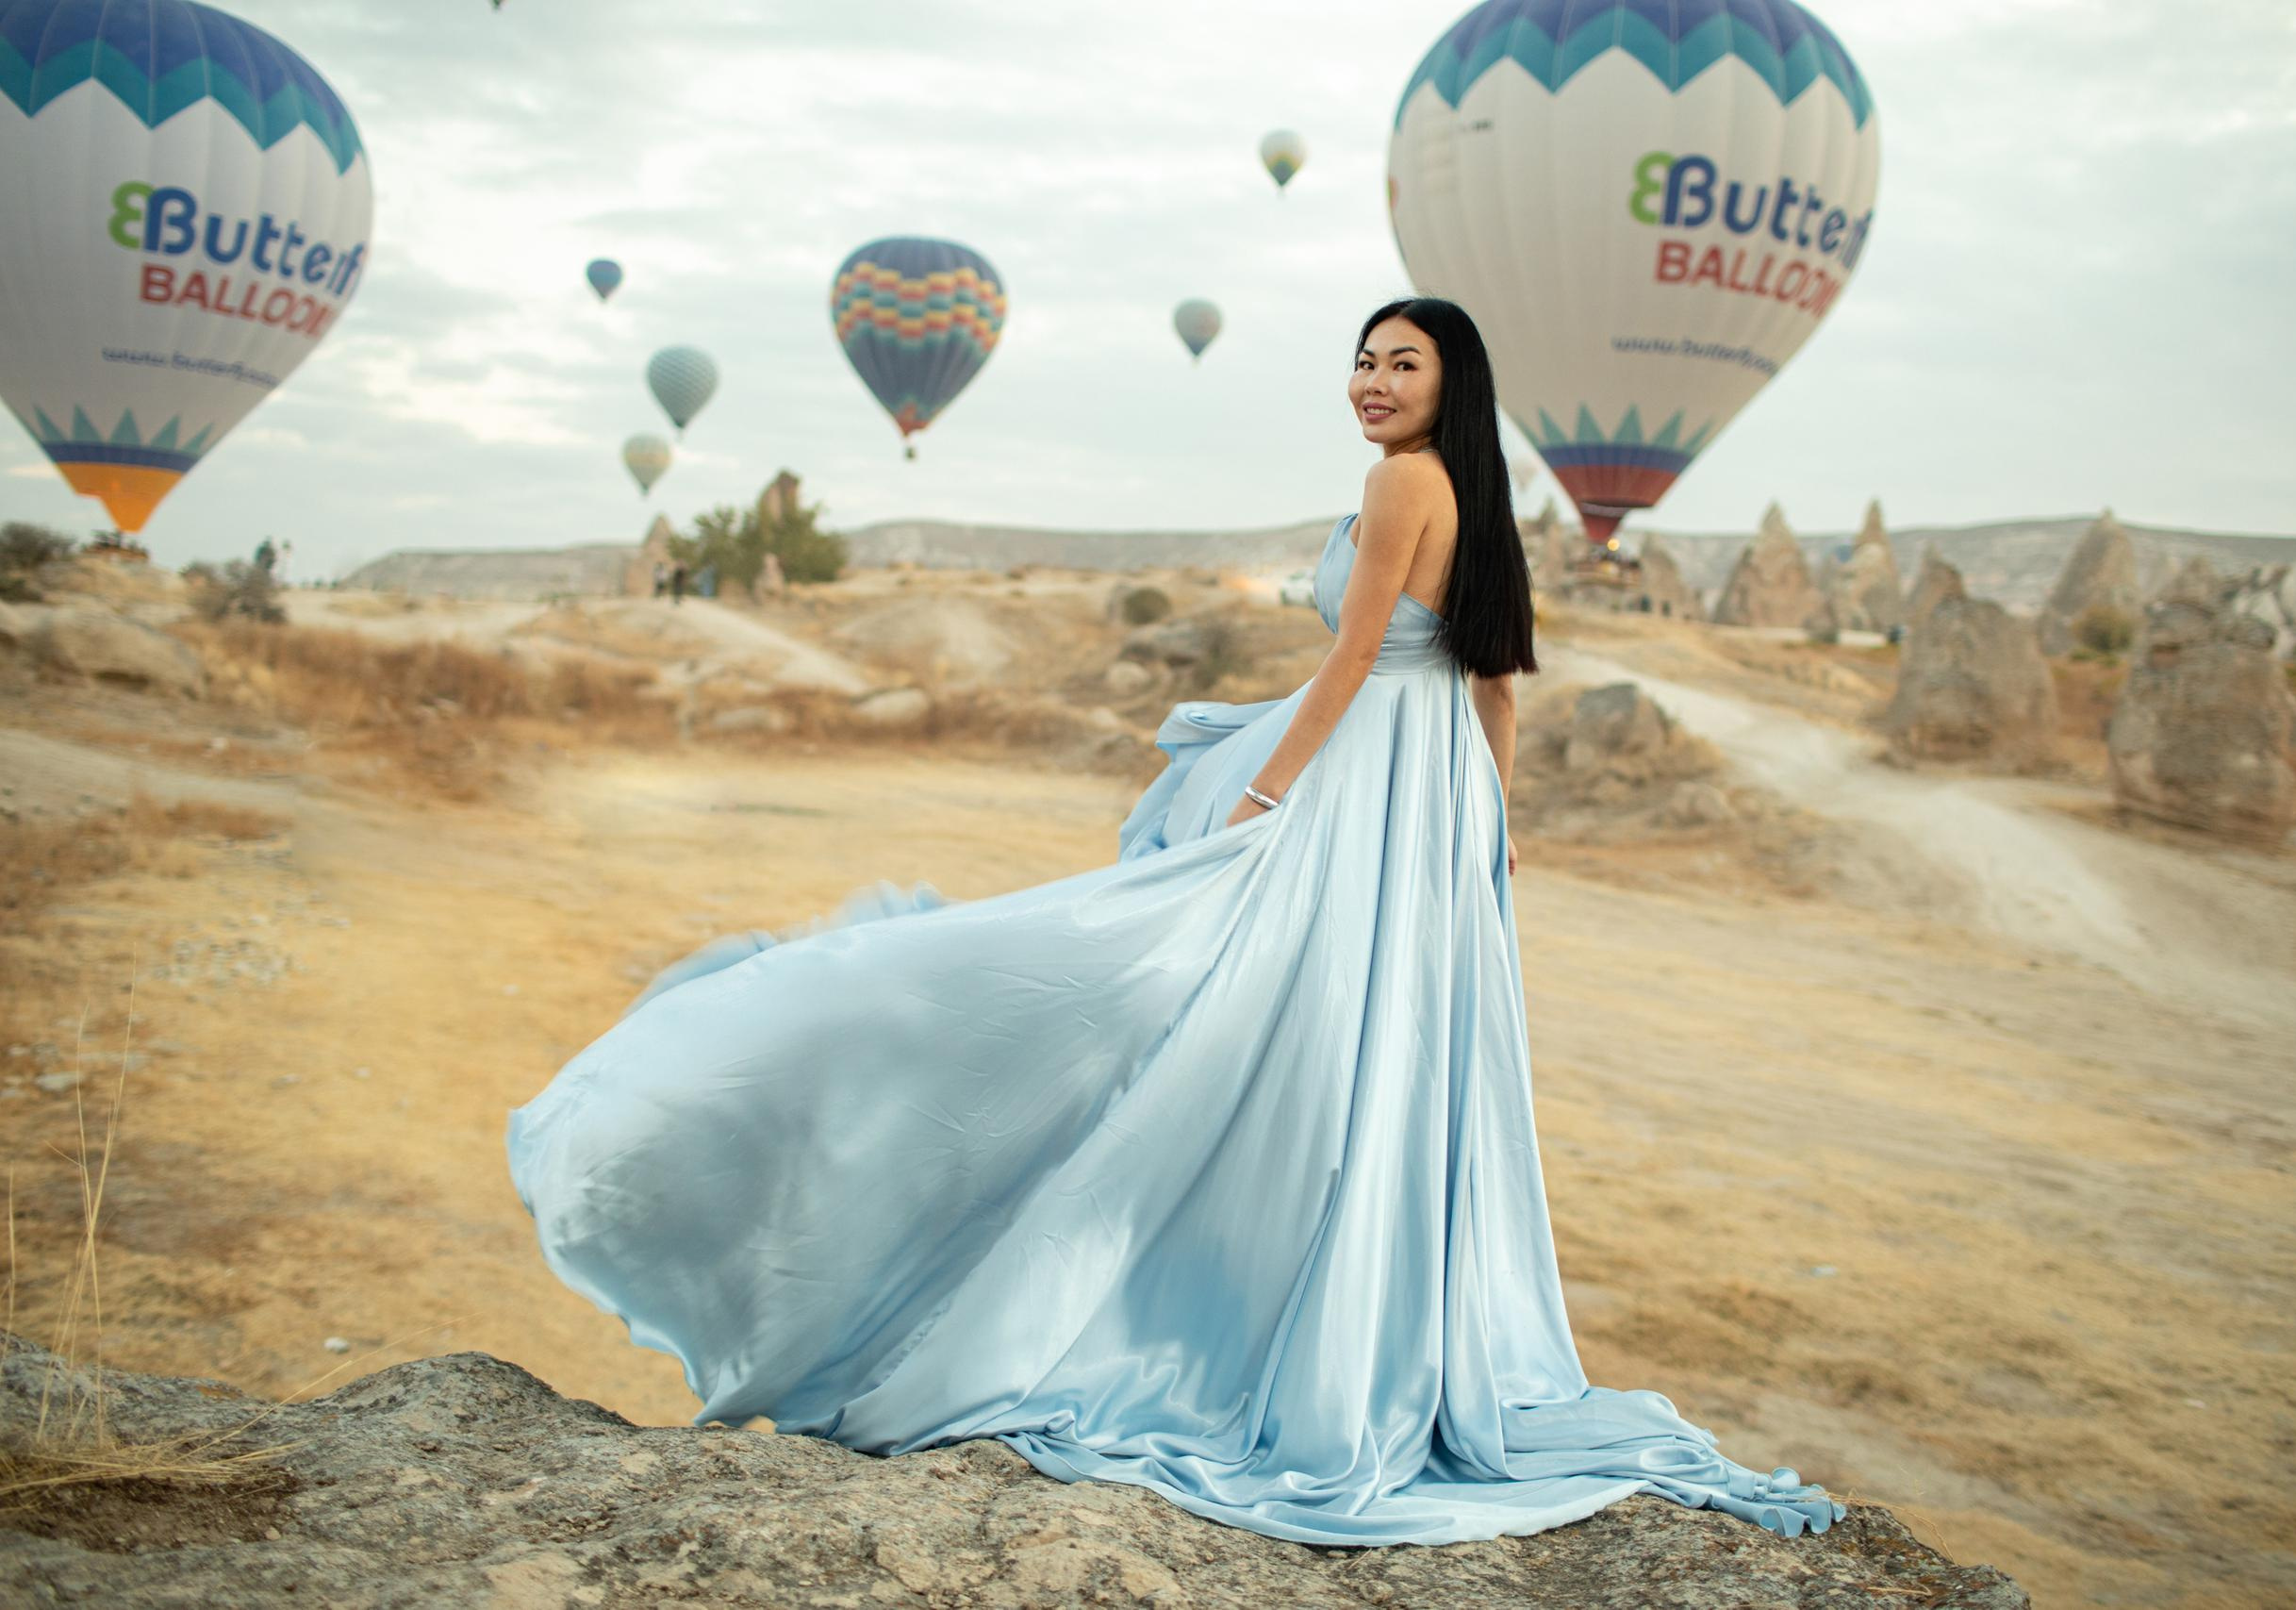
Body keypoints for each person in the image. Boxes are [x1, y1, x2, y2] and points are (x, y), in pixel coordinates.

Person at [504, 297, 1844, 1549]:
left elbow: (1350, 652)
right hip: (1425, 796)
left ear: (1453, 387)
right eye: (1365, 361)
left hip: (1363, 776)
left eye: (1403, 366)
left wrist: (1262, 791)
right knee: (1363, 1046)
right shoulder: (1479, 500)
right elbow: (1494, 686)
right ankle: (1329, 1316)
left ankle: (1174, 1295)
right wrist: (1484, 828)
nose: (1372, 384)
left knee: (1203, 996)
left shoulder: (1398, 485)